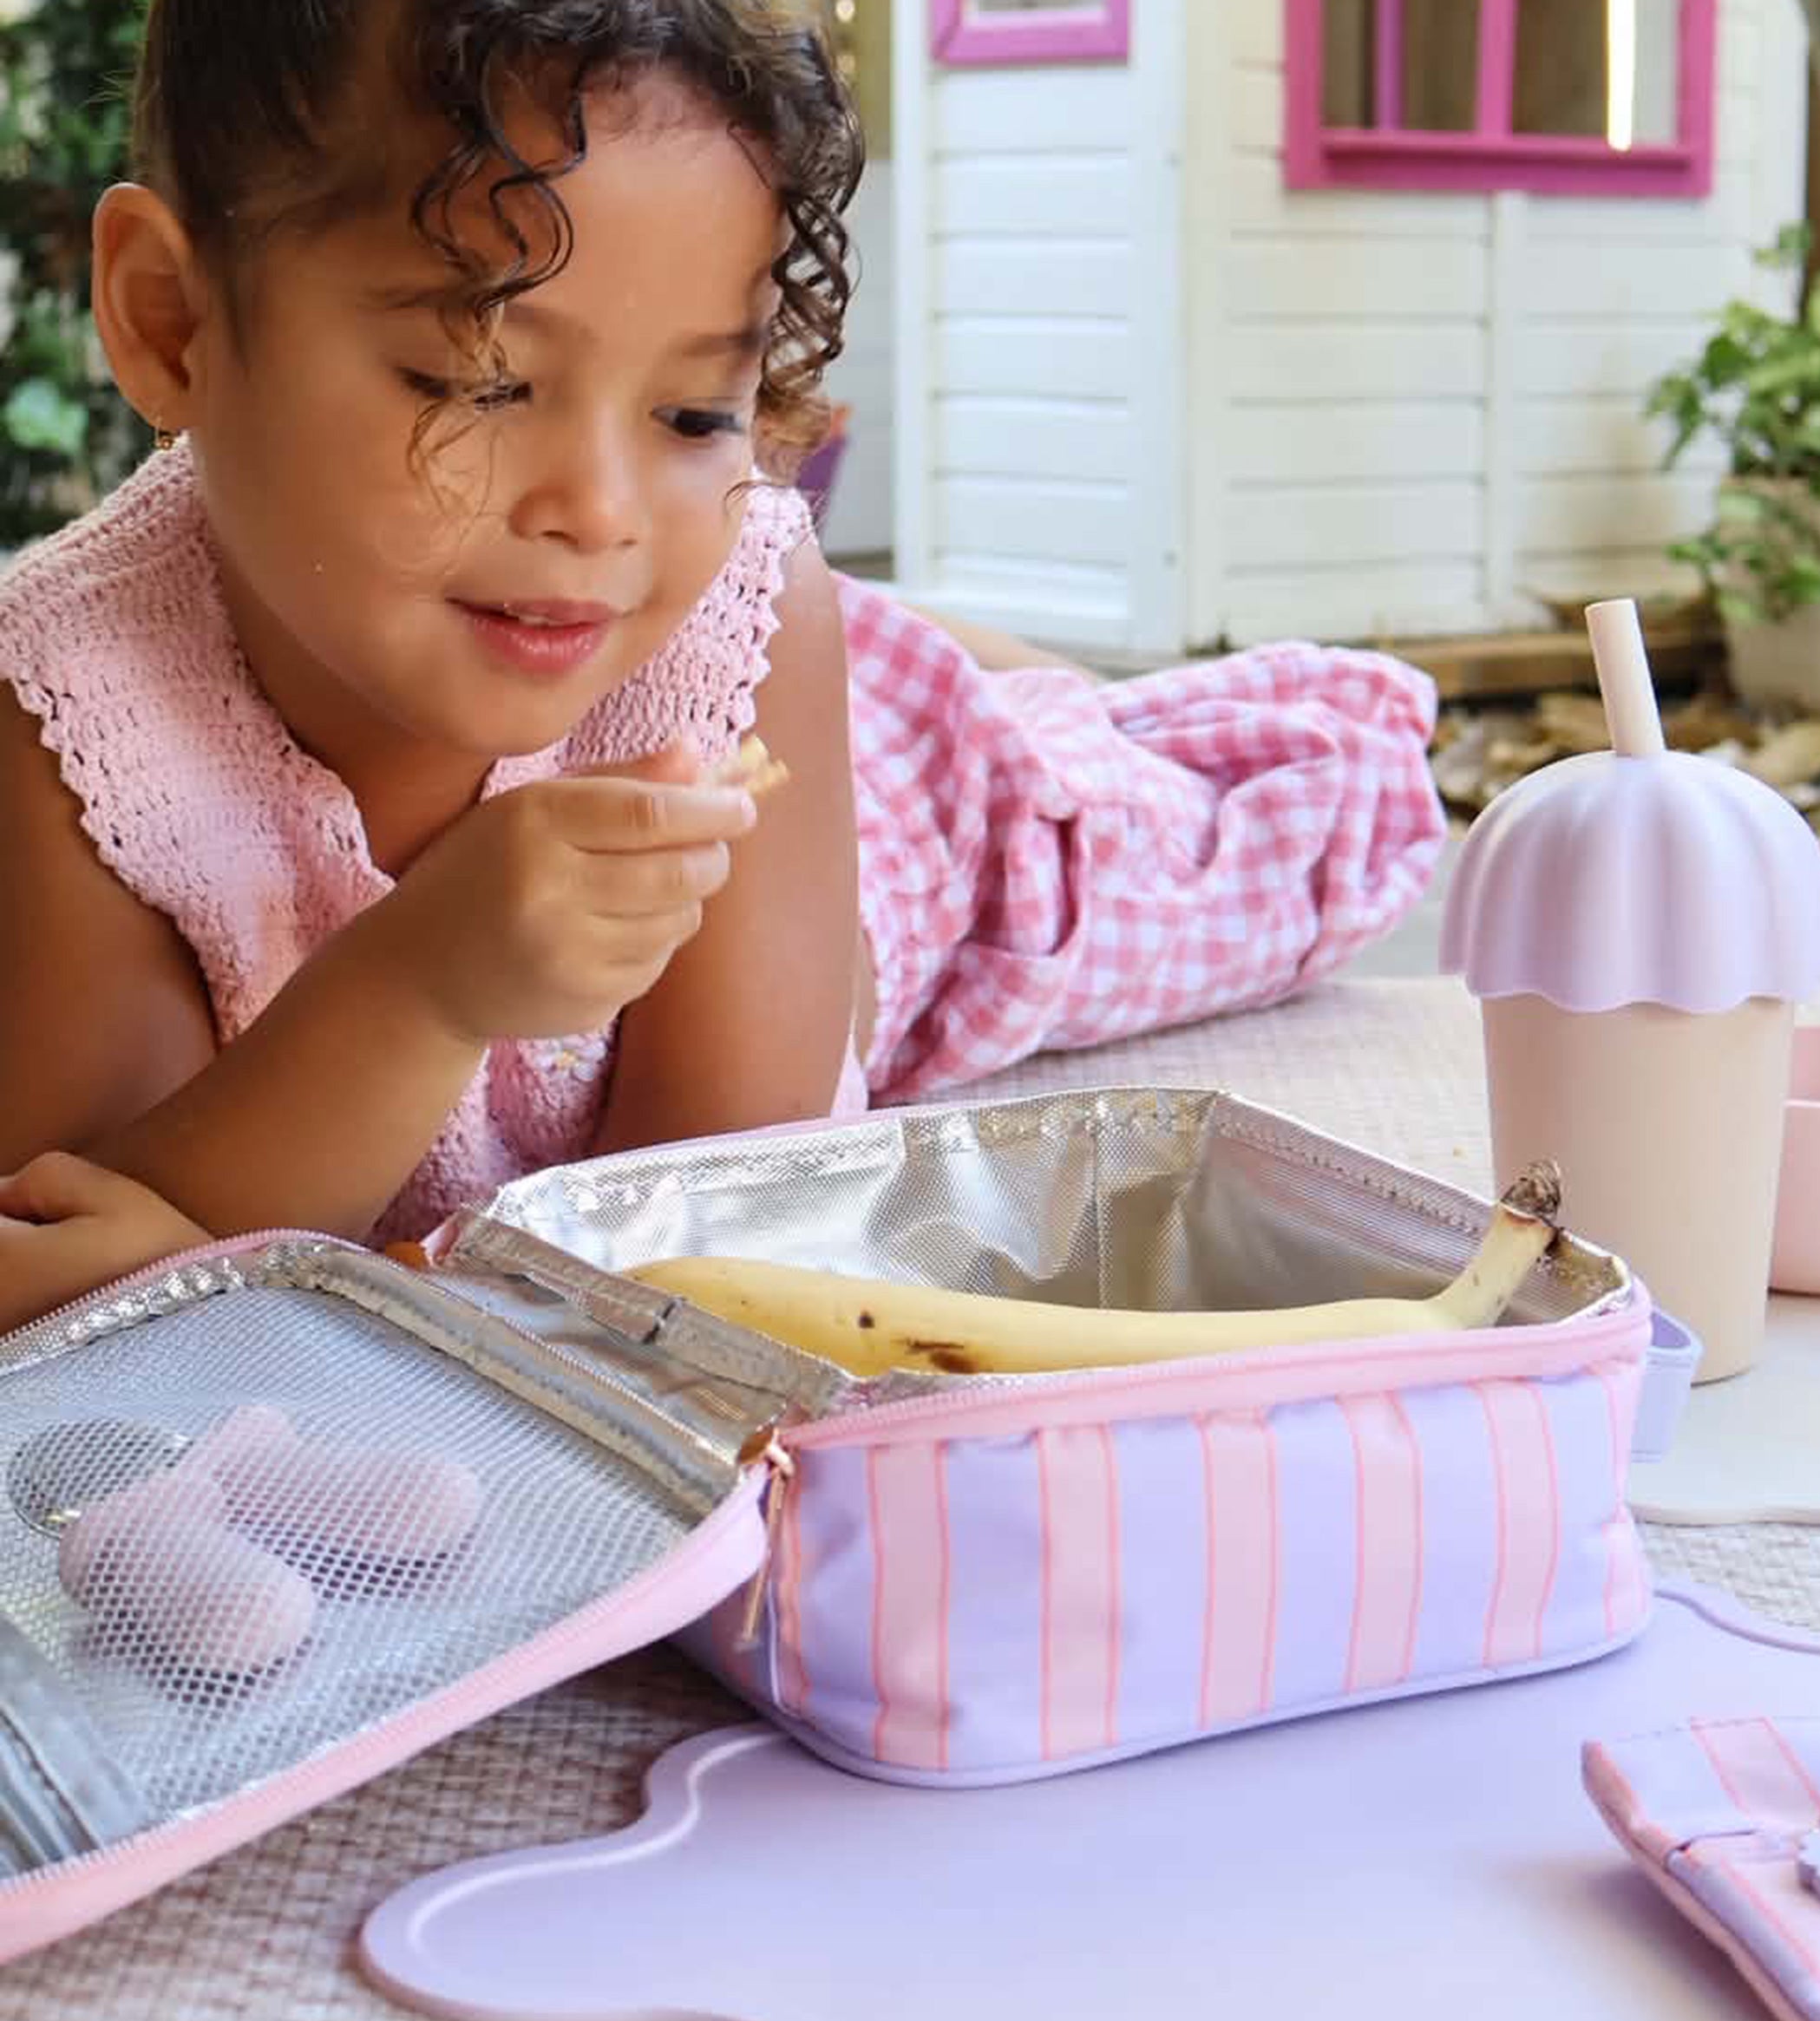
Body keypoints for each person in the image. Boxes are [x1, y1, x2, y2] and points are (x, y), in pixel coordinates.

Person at [0, 0, 1444, 1338]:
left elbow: (725, 1235)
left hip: (899, 835)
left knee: (1185, 825)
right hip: (669, 664)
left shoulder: (731, 601)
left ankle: (1083, 695)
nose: (601, 505)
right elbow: (88, 1268)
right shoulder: (75, 713)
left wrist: (400, 1034)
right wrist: (421, 986)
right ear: (171, 322)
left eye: (696, 409)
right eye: (480, 381)